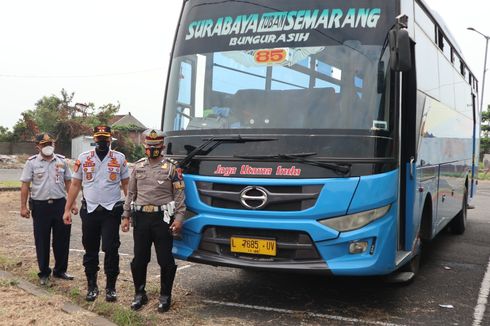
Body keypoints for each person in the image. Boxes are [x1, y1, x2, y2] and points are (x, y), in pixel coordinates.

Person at [121, 129, 185, 313]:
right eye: (149, 146)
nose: (152, 149)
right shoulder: (138, 166)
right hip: (141, 219)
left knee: (165, 259)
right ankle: (139, 294)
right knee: (140, 258)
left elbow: (180, 196)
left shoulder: (173, 167)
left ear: (162, 147)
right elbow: (131, 194)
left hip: (163, 219)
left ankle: (165, 296)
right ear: (144, 146)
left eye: (156, 146)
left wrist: (179, 218)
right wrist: (126, 216)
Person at [63, 125, 129, 302]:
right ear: (94, 139)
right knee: (90, 250)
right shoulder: (84, 158)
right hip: (90, 211)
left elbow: (126, 185)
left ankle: (111, 288)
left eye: (105, 139)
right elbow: (76, 185)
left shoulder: (119, 158)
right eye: (98, 139)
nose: (101, 142)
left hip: (111, 211)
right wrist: (67, 209)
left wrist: (128, 212)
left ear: (110, 140)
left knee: (111, 248)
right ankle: (92, 286)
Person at [20, 133, 76, 285]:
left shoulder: (62, 161)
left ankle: (60, 270)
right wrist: (23, 207)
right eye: (44, 145)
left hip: (60, 205)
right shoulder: (31, 163)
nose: (48, 147)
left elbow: (69, 183)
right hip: (40, 206)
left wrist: (73, 204)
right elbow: (25, 185)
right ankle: (44, 272)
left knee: (62, 240)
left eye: (50, 143)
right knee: (42, 240)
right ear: (37, 146)